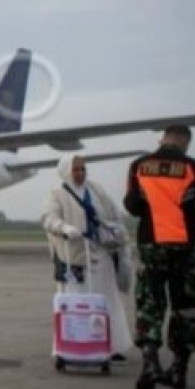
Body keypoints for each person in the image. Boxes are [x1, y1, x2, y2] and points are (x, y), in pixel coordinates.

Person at [125, 124, 195, 389]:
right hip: (186, 246)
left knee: (149, 305)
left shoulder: (139, 165)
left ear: (162, 139)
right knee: (186, 307)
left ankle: (150, 364)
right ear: (186, 142)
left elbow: (132, 206)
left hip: (152, 243)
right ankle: (179, 369)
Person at [42, 155, 134, 361]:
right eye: (75, 169)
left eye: (83, 169)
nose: (80, 173)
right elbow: (49, 219)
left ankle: (112, 346)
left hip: (102, 254)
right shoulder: (57, 194)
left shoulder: (96, 189)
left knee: (107, 300)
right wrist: (63, 228)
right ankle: (75, 346)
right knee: (76, 301)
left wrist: (117, 232)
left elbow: (114, 214)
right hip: (75, 258)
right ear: (66, 171)